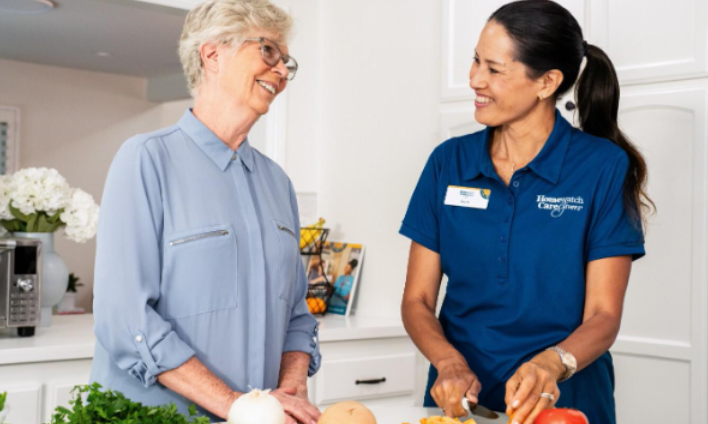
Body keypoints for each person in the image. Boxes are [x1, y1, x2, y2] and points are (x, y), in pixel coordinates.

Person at [399, 2, 653, 424]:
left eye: (494, 70)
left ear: (547, 82)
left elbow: (604, 316)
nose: (474, 79)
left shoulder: (602, 166)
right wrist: (448, 362)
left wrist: (552, 364)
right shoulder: (448, 163)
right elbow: (417, 299)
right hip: (461, 404)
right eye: (475, 61)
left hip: (565, 404)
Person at [90, 1, 321, 423]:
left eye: (287, 60)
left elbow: (297, 316)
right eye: (268, 51)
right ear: (212, 54)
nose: (282, 71)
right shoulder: (145, 160)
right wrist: (234, 404)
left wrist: (289, 392)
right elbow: (126, 318)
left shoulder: (278, 183)